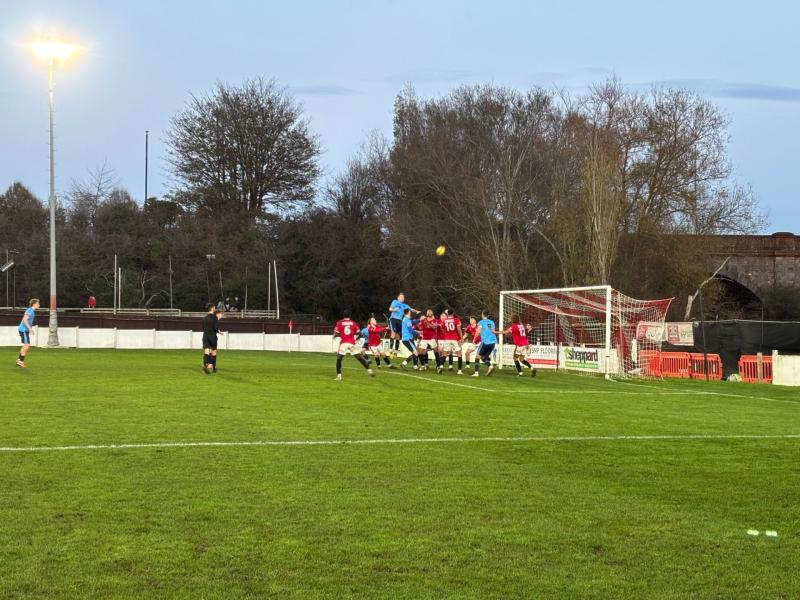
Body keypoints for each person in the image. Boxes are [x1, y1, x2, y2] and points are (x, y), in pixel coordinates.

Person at [333, 311, 374, 380]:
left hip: (343, 343)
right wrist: (356, 339)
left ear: (343, 316)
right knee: (359, 357)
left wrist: (336, 336)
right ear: (350, 316)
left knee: (339, 358)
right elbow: (360, 334)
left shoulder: (339, 323)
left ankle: (339, 376)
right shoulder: (353, 323)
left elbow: (336, 333)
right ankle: (369, 370)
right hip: (352, 343)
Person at [473, 310, 498, 377]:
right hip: (493, 342)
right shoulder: (492, 322)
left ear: (482, 314)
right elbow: (493, 331)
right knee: (483, 358)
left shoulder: (481, 322)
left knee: (477, 357)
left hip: (485, 342)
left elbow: (478, 331)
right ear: (488, 315)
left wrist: (474, 339)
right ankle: (490, 366)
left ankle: (476, 373)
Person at [16, 298, 39, 368]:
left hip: (24, 330)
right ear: (34, 304)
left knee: (25, 346)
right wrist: (30, 329)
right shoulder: (30, 310)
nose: (39, 305)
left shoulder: (32, 311)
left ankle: (19, 360)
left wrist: (29, 329)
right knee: (27, 346)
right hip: (23, 330)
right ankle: (20, 361)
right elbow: (24, 320)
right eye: (38, 303)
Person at [202, 303, 224, 374]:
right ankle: (214, 369)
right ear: (212, 308)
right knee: (214, 352)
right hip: (212, 337)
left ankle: (205, 366)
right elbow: (215, 328)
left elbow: (203, 328)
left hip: (205, 336)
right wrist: (218, 331)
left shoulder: (204, 318)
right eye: (214, 307)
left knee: (206, 351)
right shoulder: (215, 318)